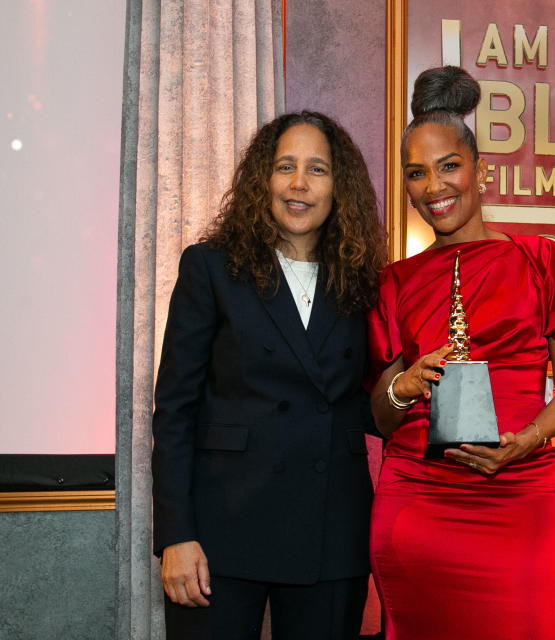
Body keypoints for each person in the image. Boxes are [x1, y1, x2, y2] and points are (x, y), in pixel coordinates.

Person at [367, 66, 555, 639]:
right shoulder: (393, 282)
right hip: (418, 501)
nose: (434, 186)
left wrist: (531, 439)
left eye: (449, 165)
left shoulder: (542, 261)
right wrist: (404, 384)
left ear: (480, 170)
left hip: (520, 499)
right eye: (416, 173)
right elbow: (378, 416)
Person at [151, 111, 385, 639]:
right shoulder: (211, 267)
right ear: (264, 180)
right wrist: (176, 535)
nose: (299, 183)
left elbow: (372, 401)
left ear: (338, 187)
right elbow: (175, 413)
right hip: (217, 536)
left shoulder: (364, 282)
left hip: (330, 533)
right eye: (286, 166)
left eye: (317, 169)